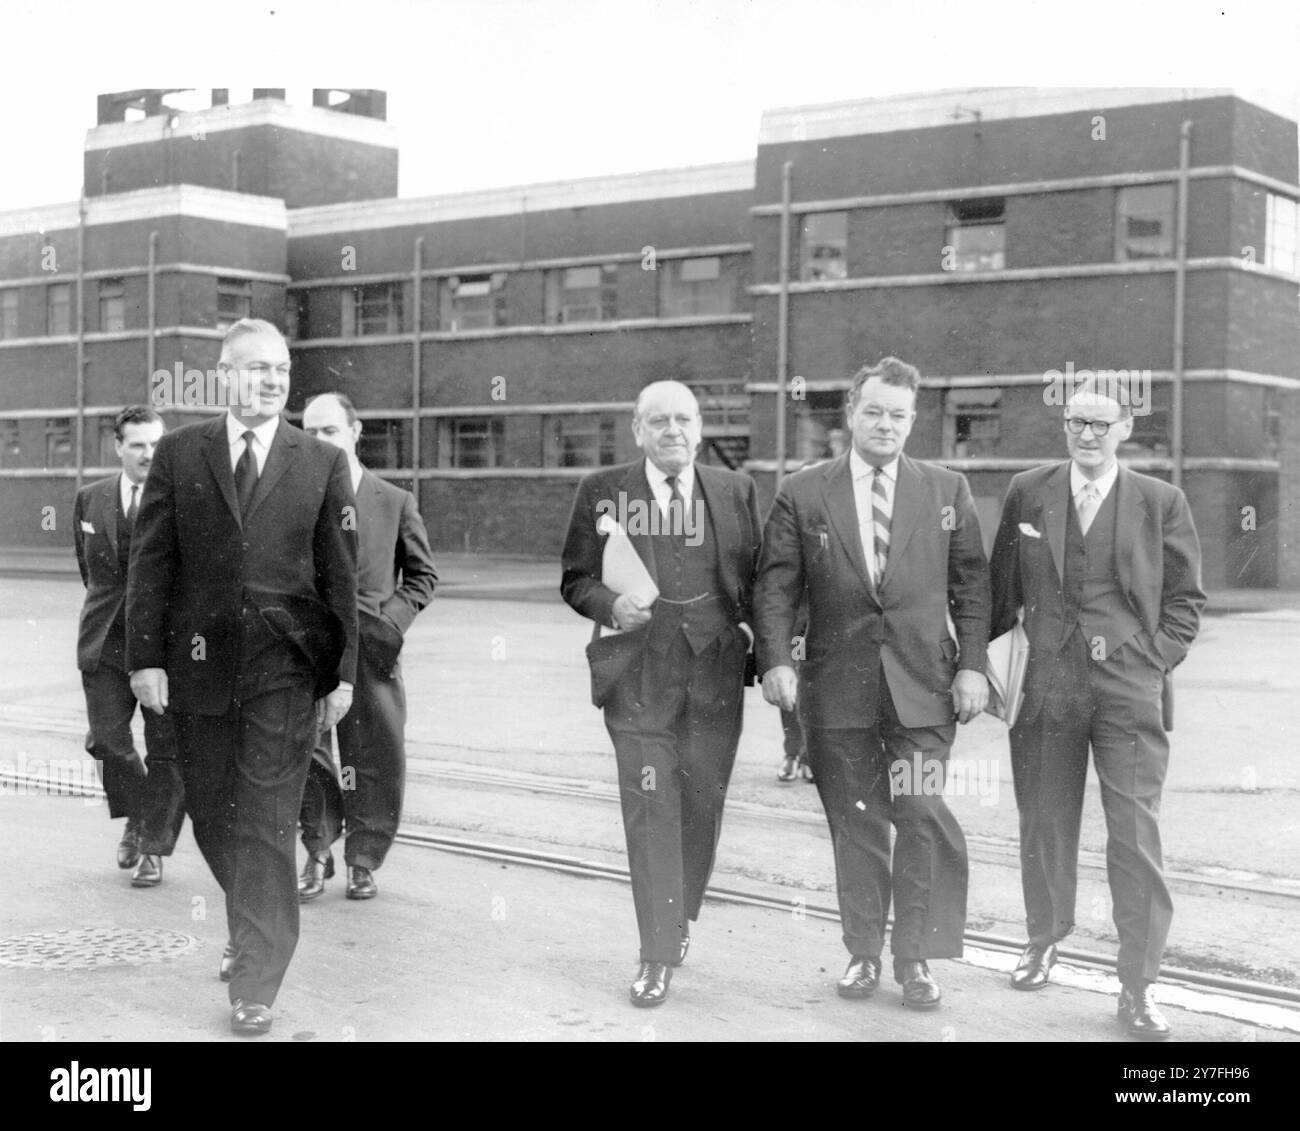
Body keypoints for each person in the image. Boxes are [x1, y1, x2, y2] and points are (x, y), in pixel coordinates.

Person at [126, 319, 358, 1037]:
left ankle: (256, 979)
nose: (268, 381)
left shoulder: (320, 461)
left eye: (279, 370)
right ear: (223, 374)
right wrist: (144, 659)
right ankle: (250, 918)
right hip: (196, 665)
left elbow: (339, 577)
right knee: (207, 809)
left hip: (284, 669)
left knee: (264, 820)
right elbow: (152, 562)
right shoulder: (179, 452)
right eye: (253, 369)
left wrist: (341, 672)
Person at [754, 357, 990, 1010]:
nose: (886, 424)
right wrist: (775, 659)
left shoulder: (947, 490)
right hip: (836, 691)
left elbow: (974, 584)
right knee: (857, 826)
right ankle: (863, 953)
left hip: (923, 690)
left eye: (899, 414)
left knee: (919, 816)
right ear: (851, 414)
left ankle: (916, 959)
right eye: (875, 411)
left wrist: (973, 663)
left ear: (913, 421)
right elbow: (776, 586)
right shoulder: (803, 492)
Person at [989, 381, 1204, 1040]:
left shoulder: (1161, 500)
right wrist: (988, 668)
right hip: (1048, 684)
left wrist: (1150, 661)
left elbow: (1188, 599)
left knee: (1134, 837)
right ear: (1064, 426)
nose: (1087, 434)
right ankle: (1042, 939)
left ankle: (1137, 986)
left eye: (1099, 424)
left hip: (1126, 689)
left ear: (1125, 427)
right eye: (1076, 421)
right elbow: (1001, 586)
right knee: (1045, 823)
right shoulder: (1030, 489)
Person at [560, 380, 761, 1007]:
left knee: (702, 806)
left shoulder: (735, 490)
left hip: (715, 673)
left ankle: (678, 918)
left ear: (699, 428)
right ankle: (656, 952)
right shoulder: (602, 491)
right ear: (638, 431)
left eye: (683, 419)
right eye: (658, 422)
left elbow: (757, 581)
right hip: (639, 680)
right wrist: (610, 605)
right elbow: (574, 578)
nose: (673, 431)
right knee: (652, 811)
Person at [296, 392, 437, 902]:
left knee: (376, 755)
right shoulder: (293, 499)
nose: (318, 441)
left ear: (355, 433)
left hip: (375, 649)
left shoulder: (394, 501)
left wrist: (389, 624)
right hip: (311, 648)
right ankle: (316, 849)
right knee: (309, 751)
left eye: (329, 430)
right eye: (308, 432)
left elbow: (422, 576)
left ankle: (364, 859)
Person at [73, 406, 186, 887]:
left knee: (165, 750)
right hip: (105, 645)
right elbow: (90, 571)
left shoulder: (183, 499)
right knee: (107, 741)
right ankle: (139, 818)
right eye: (137, 444)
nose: (147, 454)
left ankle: (153, 849)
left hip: (165, 649)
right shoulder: (89, 500)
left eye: (156, 443)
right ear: (118, 446)